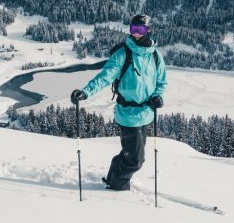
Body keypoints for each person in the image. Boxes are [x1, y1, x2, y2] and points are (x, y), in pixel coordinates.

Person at [70, 14, 167, 191]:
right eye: (133, 29)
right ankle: (116, 189)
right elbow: (105, 77)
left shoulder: (155, 56)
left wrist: (158, 96)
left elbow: (161, 82)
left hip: (146, 114)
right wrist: (85, 92)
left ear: (148, 31)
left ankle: (112, 177)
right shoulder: (122, 53)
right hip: (128, 115)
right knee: (135, 160)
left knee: (131, 154)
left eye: (141, 30)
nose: (136, 34)